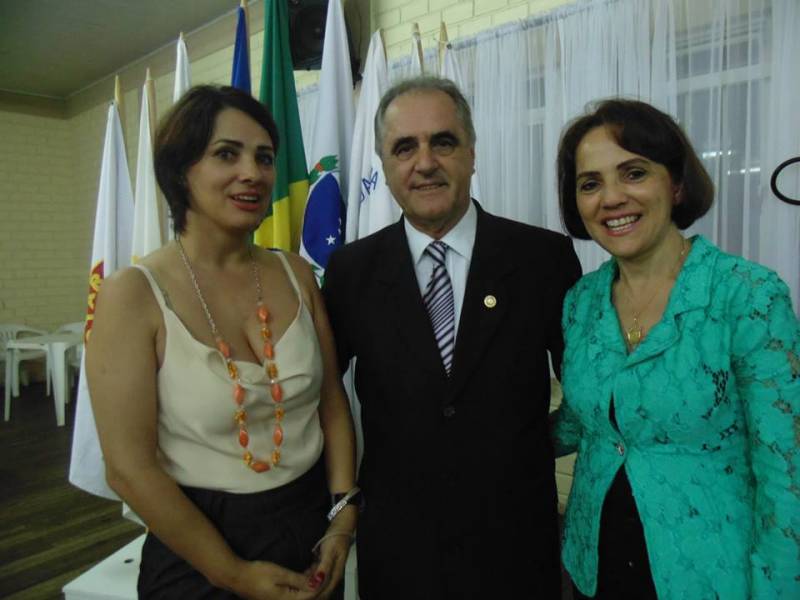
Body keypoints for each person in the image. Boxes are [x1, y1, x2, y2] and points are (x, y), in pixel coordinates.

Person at [87, 85, 357, 599]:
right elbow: (128, 468)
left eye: (264, 157)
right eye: (227, 154)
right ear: (180, 171)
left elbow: (332, 404)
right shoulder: (133, 294)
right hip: (198, 548)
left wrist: (343, 513)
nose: (252, 173)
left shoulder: (296, 273)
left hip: (311, 531)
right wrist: (232, 573)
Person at [321, 76, 582, 599]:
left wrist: (524, 448)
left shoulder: (543, 258)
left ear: (471, 154)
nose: (425, 163)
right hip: (398, 554)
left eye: (443, 142)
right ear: (384, 165)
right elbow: (320, 395)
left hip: (517, 548)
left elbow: (586, 390)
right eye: (404, 148)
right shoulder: (350, 272)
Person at [552, 98, 800, 599]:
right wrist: (480, 437)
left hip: (710, 576)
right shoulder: (581, 301)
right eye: (590, 183)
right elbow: (582, 422)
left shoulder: (747, 295)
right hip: (593, 566)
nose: (611, 198)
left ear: (677, 184)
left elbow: (786, 470)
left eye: (634, 173)